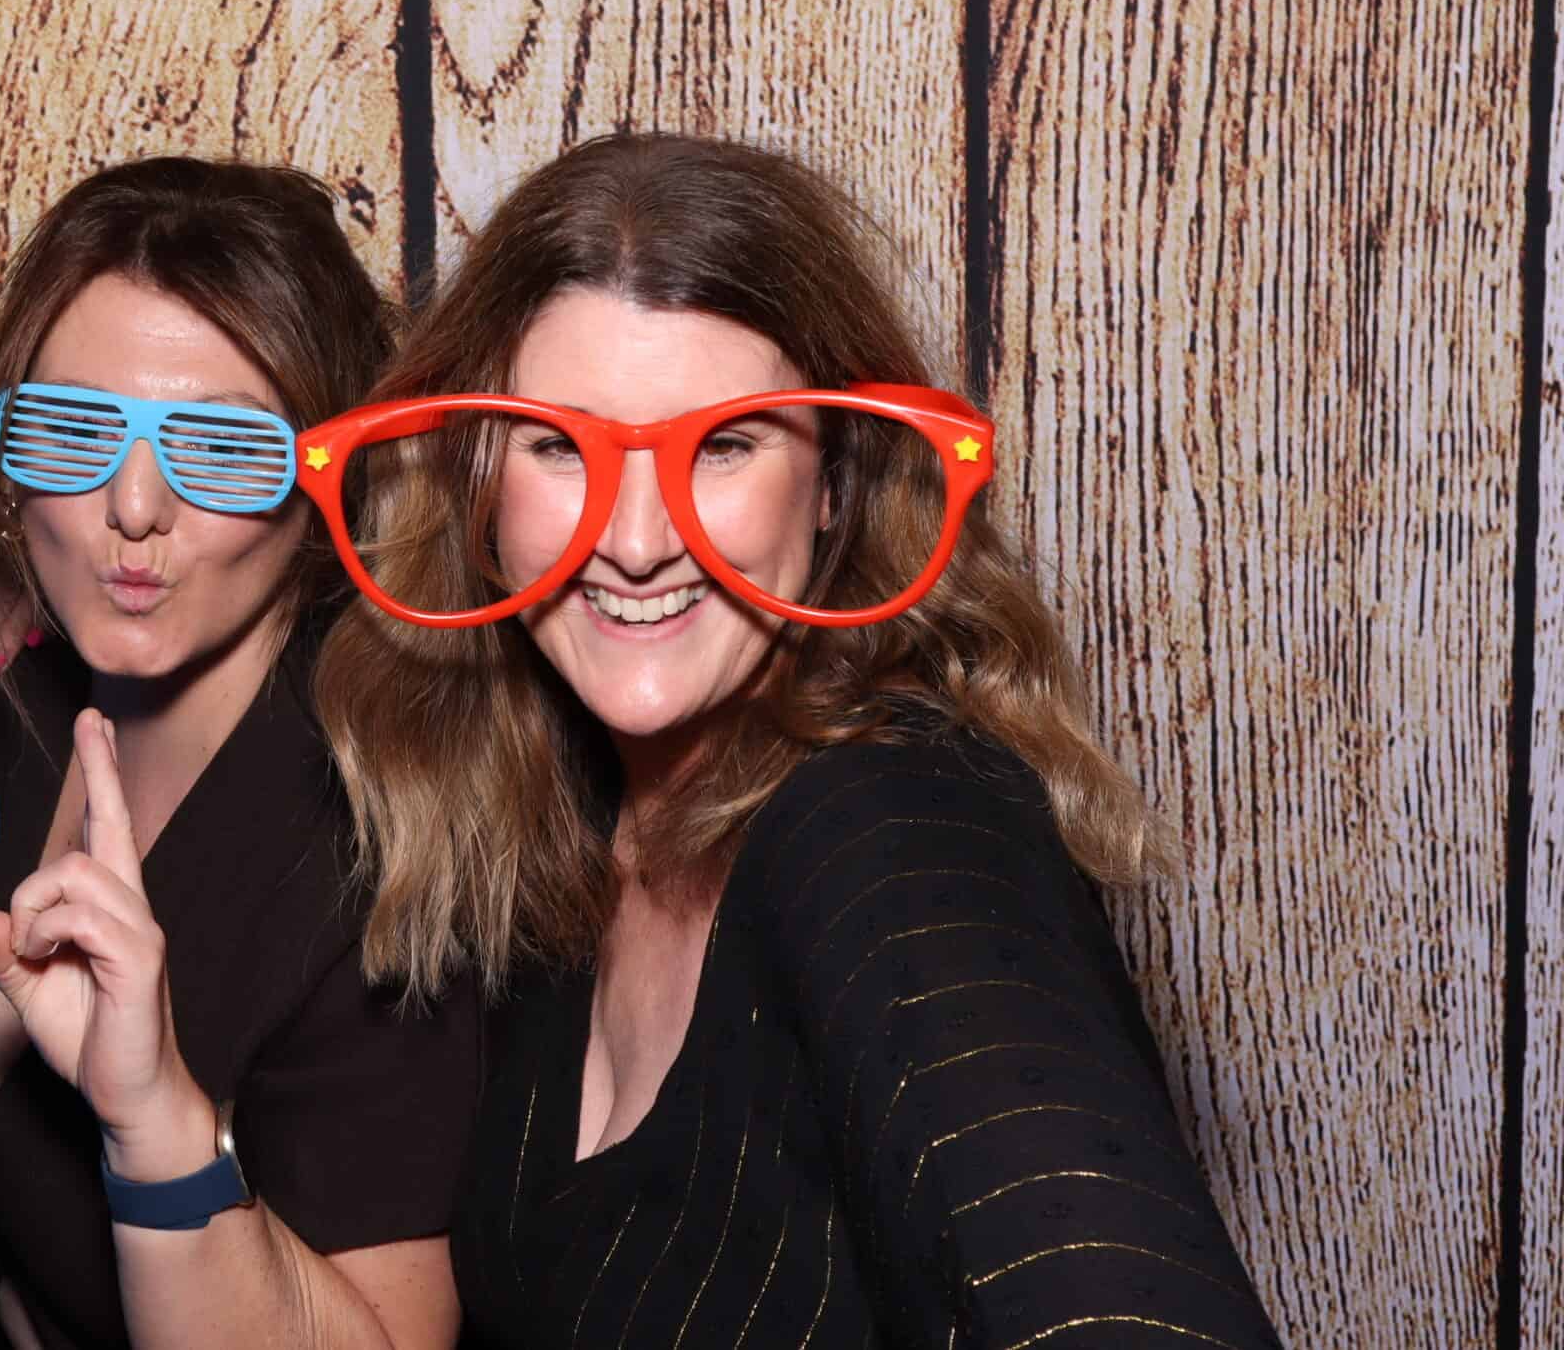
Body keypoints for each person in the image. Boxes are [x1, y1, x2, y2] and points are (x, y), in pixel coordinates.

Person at [307, 134, 1281, 1348]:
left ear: (833, 487)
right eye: (559, 446)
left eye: (724, 446)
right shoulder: (573, 831)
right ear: (475, 483)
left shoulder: (894, 822)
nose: (636, 541)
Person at [0, 158, 479, 1350]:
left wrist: (163, 1133)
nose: (135, 507)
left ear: (328, 477)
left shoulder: (371, 852)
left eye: (225, 448)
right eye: (74, 430)